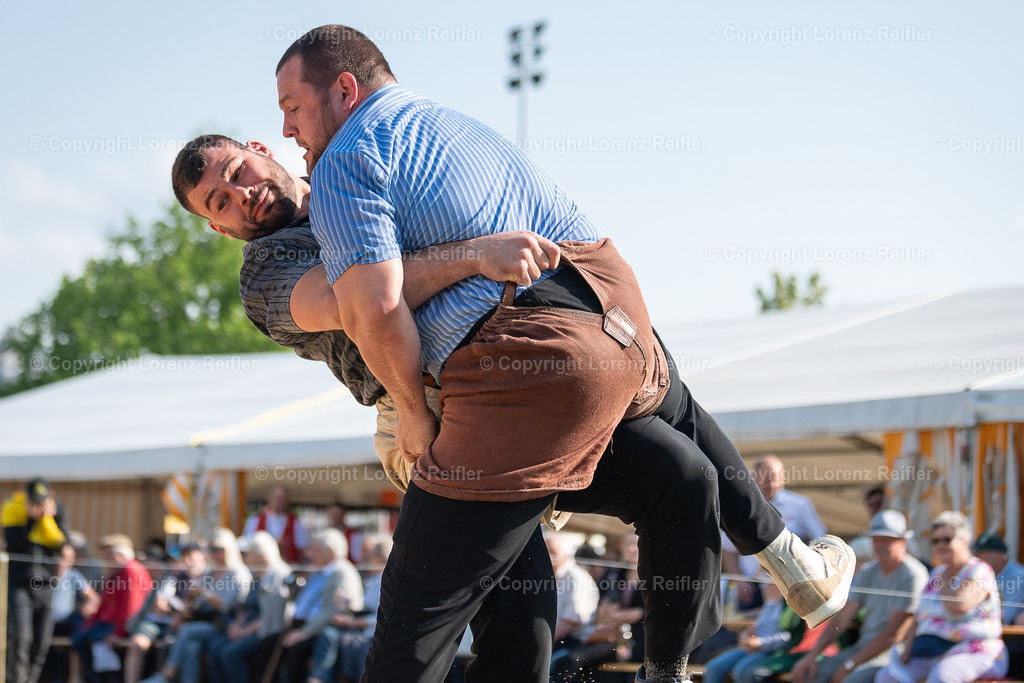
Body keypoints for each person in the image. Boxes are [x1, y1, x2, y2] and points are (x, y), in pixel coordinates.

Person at [791, 510, 928, 683]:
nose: (879, 544)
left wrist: (849, 665)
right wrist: (811, 656)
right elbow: (841, 618)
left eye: (887, 539)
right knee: (806, 674)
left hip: (896, 654)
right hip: (863, 649)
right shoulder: (868, 571)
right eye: (876, 538)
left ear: (903, 541)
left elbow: (895, 635)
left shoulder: (914, 574)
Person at [876, 511, 1008, 683]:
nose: (940, 545)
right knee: (887, 677)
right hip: (932, 651)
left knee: (942, 677)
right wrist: (908, 649)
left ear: (964, 541)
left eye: (947, 539)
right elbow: (919, 617)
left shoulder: (979, 570)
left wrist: (945, 577)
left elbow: (958, 605)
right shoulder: (936, 573)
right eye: (936, 540)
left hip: (977, 651)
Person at [248, 528, 363, 683]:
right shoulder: (316, 570)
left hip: (321, 628)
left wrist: (304, 633)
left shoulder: (342, 572)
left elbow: (334, 610)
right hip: (300, 624)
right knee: (267, 645)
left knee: (295, 651)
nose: (310, 553)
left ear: (329, 551)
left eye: (315, 549)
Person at [142, 529, 252, 683]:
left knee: (186, 631)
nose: (215, 553)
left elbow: (228, 605)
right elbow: (197, 603)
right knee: (192, 647)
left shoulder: (238, 572)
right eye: (212, 549)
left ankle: (166, 674)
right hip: (206, 621)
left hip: (225, 624)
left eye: (219, 549)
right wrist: (188, 607)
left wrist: (203, 594)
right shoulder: (212, 572)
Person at [3, 478, 68, 683]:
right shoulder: (14, 510)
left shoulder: (58, 512)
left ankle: (30, 680)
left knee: (40, 642)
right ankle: (17, 680)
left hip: (47, 585)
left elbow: (61, 544)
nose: (38, 505)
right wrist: (31, 519)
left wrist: (46, 519)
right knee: (21, 638)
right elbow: (12, 542)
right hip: (20, 584)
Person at [212, 531, 292, 683]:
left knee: (230, 653)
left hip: (264, 633)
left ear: (261, 555)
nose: (244, 558)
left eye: (247, 553)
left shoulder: (279, 575)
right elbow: (246, 607)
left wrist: (243, 631)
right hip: (248, 628)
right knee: (216, 647)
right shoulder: (256, 575)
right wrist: (236, 626)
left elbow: (271, 618)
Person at [310, 534, 392, 682]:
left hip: (371, 635)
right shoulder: (373, 580)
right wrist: (345, 604)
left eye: (371, 556)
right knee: (329, 634)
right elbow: (363, 607)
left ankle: (319, 678)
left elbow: (381, 617)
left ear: (380, 559)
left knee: (330, 636)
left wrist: (351, 623)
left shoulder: (386, 582)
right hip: (360, 630)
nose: (366, 559)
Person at [73, 534, 153, 683]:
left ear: (121, 554)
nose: (107, 558)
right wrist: (89, 624)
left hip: (121, 626)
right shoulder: (116, 573)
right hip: (109, 624)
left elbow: (131, 608)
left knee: (92, 641)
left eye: (110, 554)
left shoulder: (131, 570)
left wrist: (118, 632)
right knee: (79, 638)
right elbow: (104, 604)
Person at [547, 533, 601, 650]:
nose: (549, 558)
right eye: (546, 553)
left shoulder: (576, 578)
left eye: (554, 553)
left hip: (571, 642)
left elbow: (571, 622)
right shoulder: (553, 576)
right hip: (556, 639)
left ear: (567, 554)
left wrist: (540, 643)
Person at [242, 486, 309, 564]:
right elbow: (246, 545)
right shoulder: (255, 520)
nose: (279, 502)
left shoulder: (296, 522)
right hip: (261, 569)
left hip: (288, 568)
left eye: (282, 499)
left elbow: (303, 549)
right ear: (269, 499)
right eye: (277, 499)